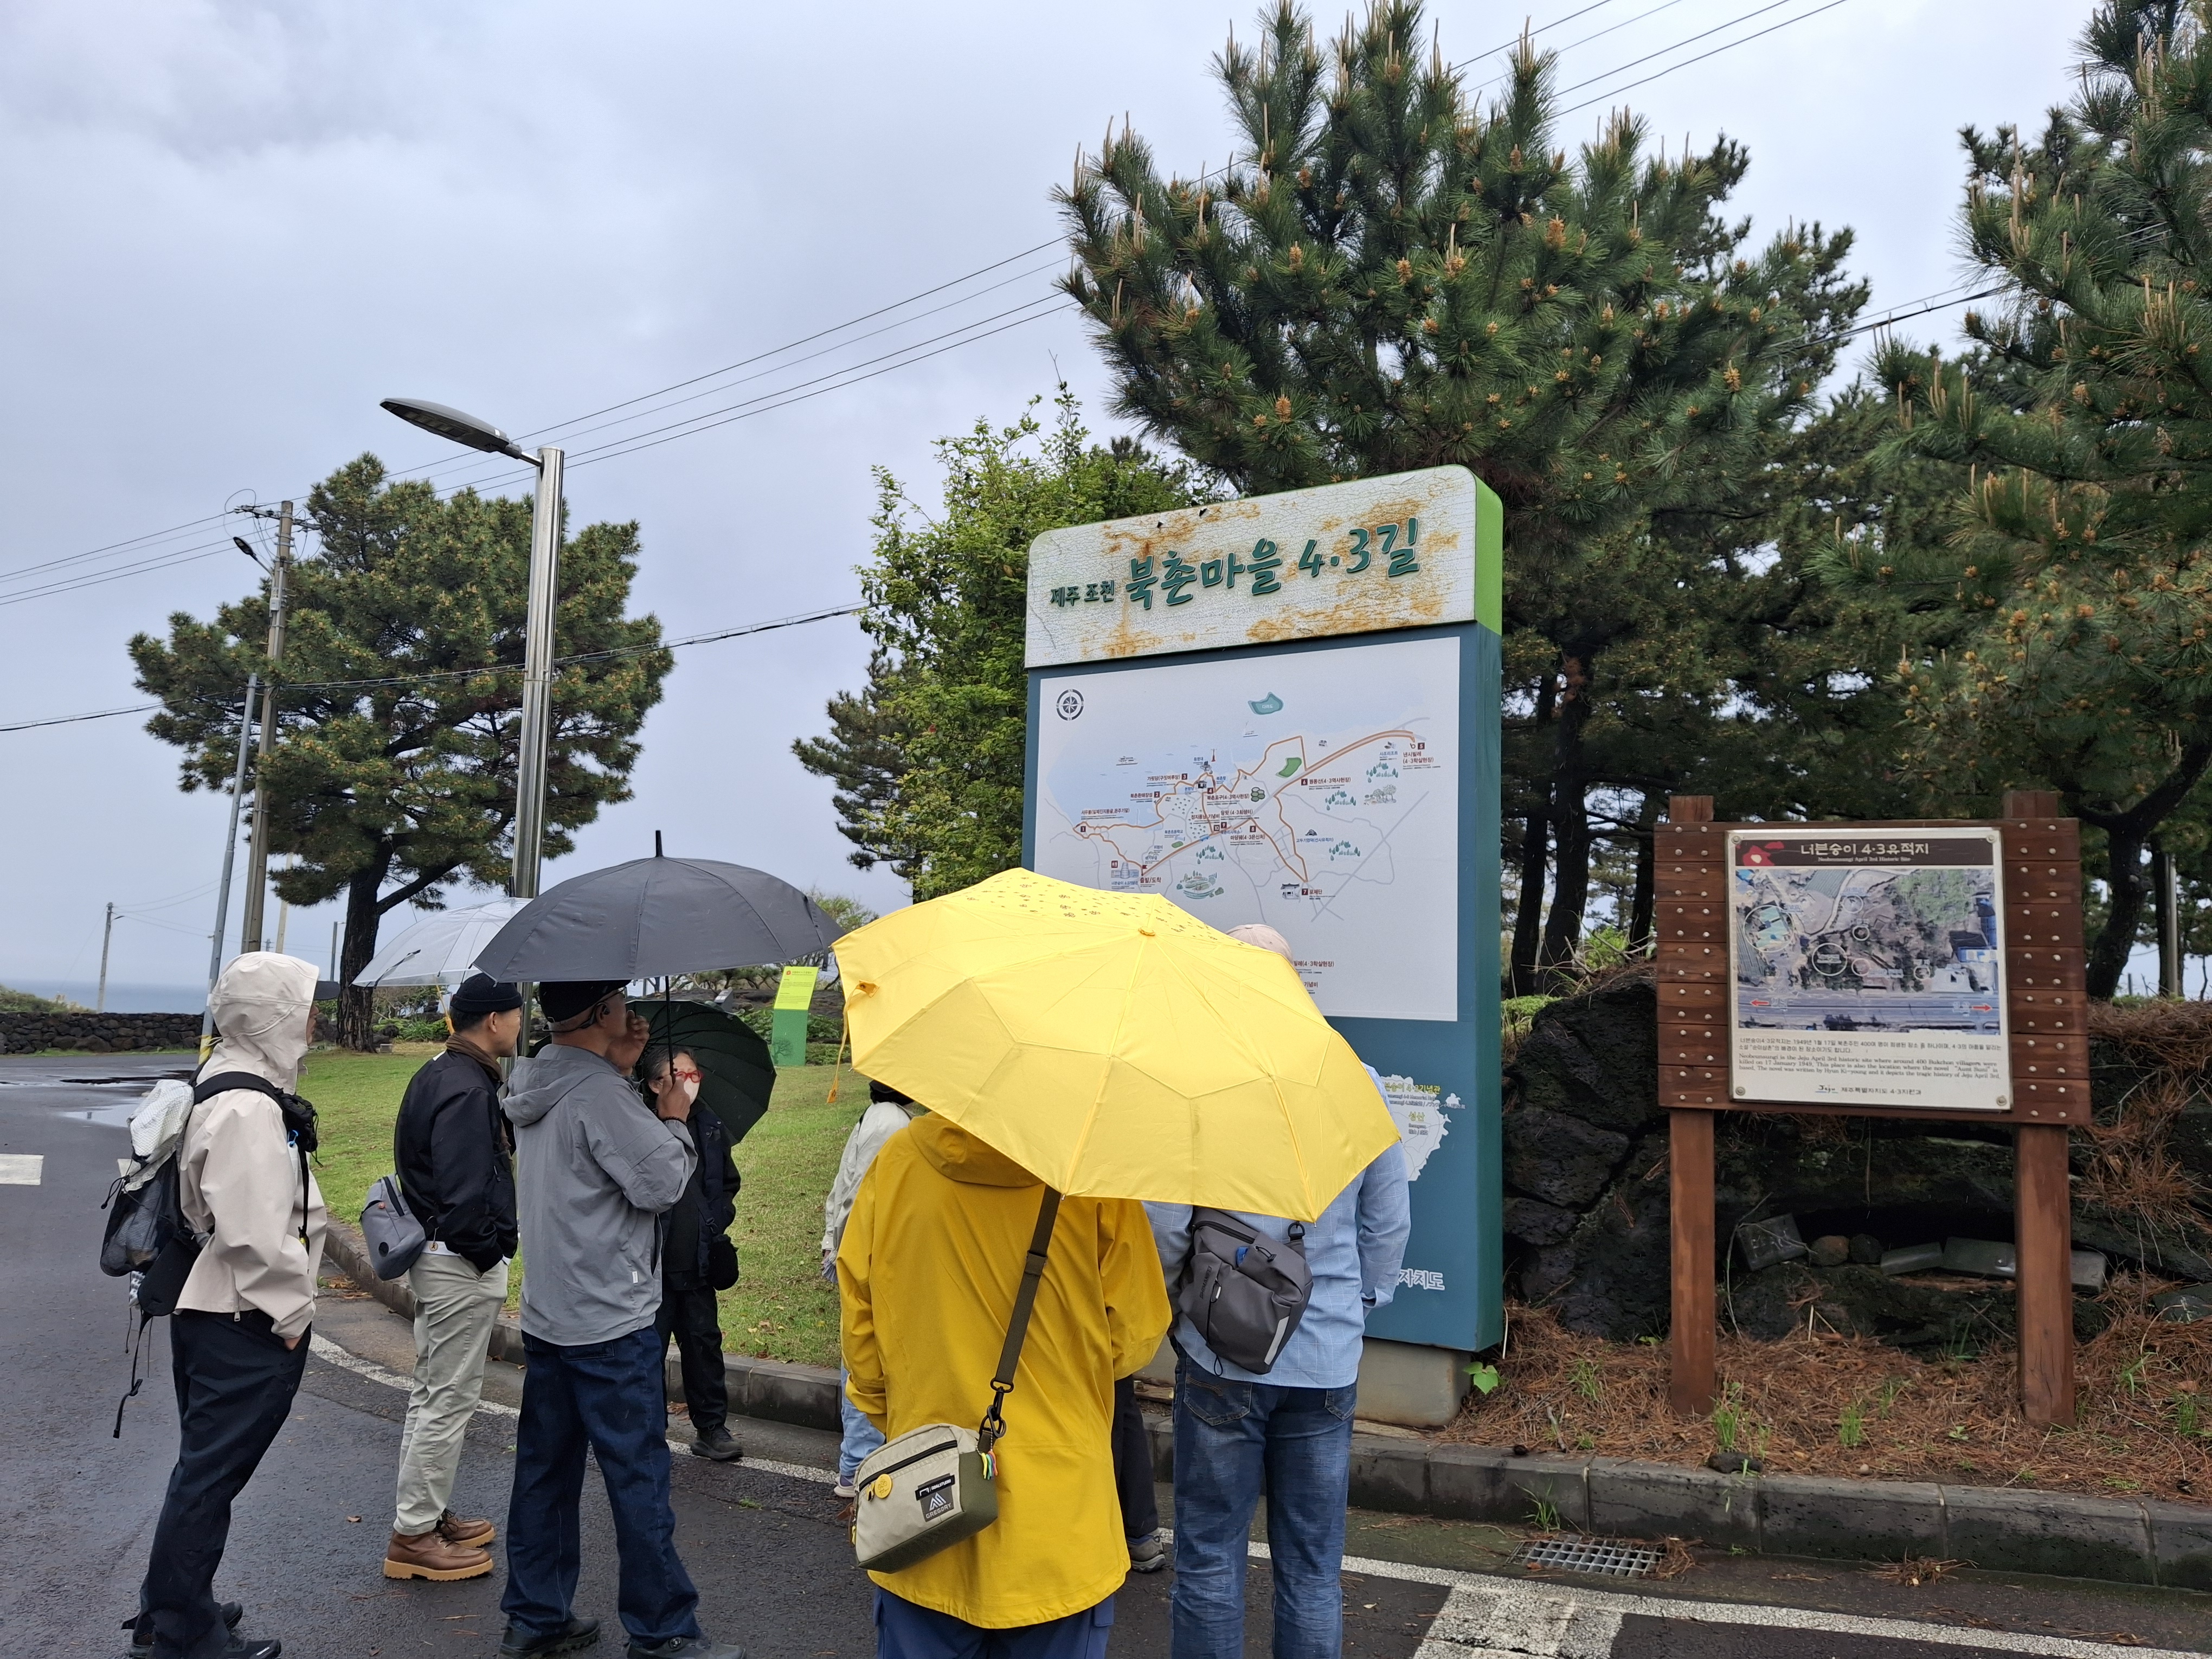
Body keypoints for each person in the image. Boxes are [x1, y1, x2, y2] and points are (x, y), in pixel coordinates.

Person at [1148, 922, 1411, 1659]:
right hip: (1326, 1359)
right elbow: (1388, 1223)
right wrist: (1357, 1307)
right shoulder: (1356, 1079)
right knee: (1313, 1569)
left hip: (1221, 1351)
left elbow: (1166, 1223)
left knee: (1209, 1553)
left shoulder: (1199, 1083)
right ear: (1297, 985)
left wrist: (1174, 1304)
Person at [839, 1105, 1171, 1658]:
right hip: (1061, 1517)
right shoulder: (1093, 1179)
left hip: (927, 1498)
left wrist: (901, 1417)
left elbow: (861, 1329)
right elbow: (1135, 1336)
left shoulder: (899, 1161)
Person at [500, 981, 746, 1659]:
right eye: (618, 1001)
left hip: (550, 1311)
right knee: (637, 1477)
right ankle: (662, 1630)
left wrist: (619, 1065)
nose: (628, 1011)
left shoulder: (533, 1079)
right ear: (603, 1012)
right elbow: (661, 1184)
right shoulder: (600, 1094)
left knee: (545, 1473)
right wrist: (672, 1114)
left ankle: (535, 1616)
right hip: (611, 1318)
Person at [132, 951, 328, 1659]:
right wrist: (292, 1317)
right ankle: (183, 1633)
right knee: (210, 1477)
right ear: (276, 1015)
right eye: (304, 1002)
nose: (315, 1016)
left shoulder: (222, 1079)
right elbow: (255, 1234)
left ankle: (174, 1606)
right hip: (244, 1317)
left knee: (203, 1469)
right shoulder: (248, 1107)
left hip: (211, 1306)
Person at [383, 973, 524, 1583]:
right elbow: (466, 1193)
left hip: (438, 1254)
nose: (521, 1024)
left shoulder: (441, 1071)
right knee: (448, 1398)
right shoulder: (468, 1087)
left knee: (432, 1393)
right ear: (494, 1020)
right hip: (457, 1261)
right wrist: (490, 1253)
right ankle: (413, 1535)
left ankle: (425, 1514)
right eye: (516, 1014)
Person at [641, 1043, 743, 1463]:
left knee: (703, 1346)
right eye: (678, 1075)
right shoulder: (638, 1124)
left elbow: (727, 1183)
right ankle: (649, 1431)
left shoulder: (711, 1124)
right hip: (650, 1266)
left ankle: (712, 1427)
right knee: (648, 1351)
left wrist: (716, 1220)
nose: (690, 1082)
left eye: (694, 1074)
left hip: (698, 1262)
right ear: (655, 1084)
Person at [819, 1078, 914, 1499]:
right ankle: (859, 1466)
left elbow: (844, 1187)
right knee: (866, 1359)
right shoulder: (892, 1124)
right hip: (873, 1260)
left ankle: (858, 1463)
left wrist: (833, 1244)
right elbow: (863, 1198)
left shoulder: (879, 1117)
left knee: (861, 1353)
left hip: (860, 1255)